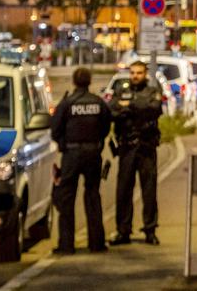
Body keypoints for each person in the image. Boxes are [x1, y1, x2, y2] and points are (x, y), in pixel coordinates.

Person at [50, 67, 112, 255]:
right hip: (93, 153)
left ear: (74, 82)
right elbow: (106, 127)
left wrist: (64, 144)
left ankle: (67, 245)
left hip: (72, 154)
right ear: (90, 81)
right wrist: (96, 142)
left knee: (66, 199)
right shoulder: (98, 103)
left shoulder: (67, 104)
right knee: (93, 196)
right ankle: (96, 243)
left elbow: (55, 130)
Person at [109, 60, 163, 245]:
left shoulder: (152, 91)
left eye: (139, 73)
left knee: (149, 191)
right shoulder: (121, 90)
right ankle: (123, 231)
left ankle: (150, 230)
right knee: (123, 190)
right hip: (126, 147)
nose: (135, 76)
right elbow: (113, 110)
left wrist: (129, 105)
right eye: (132, 73)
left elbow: (154, 109)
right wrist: (137, 107)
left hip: (146, 147)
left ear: (145, 74)